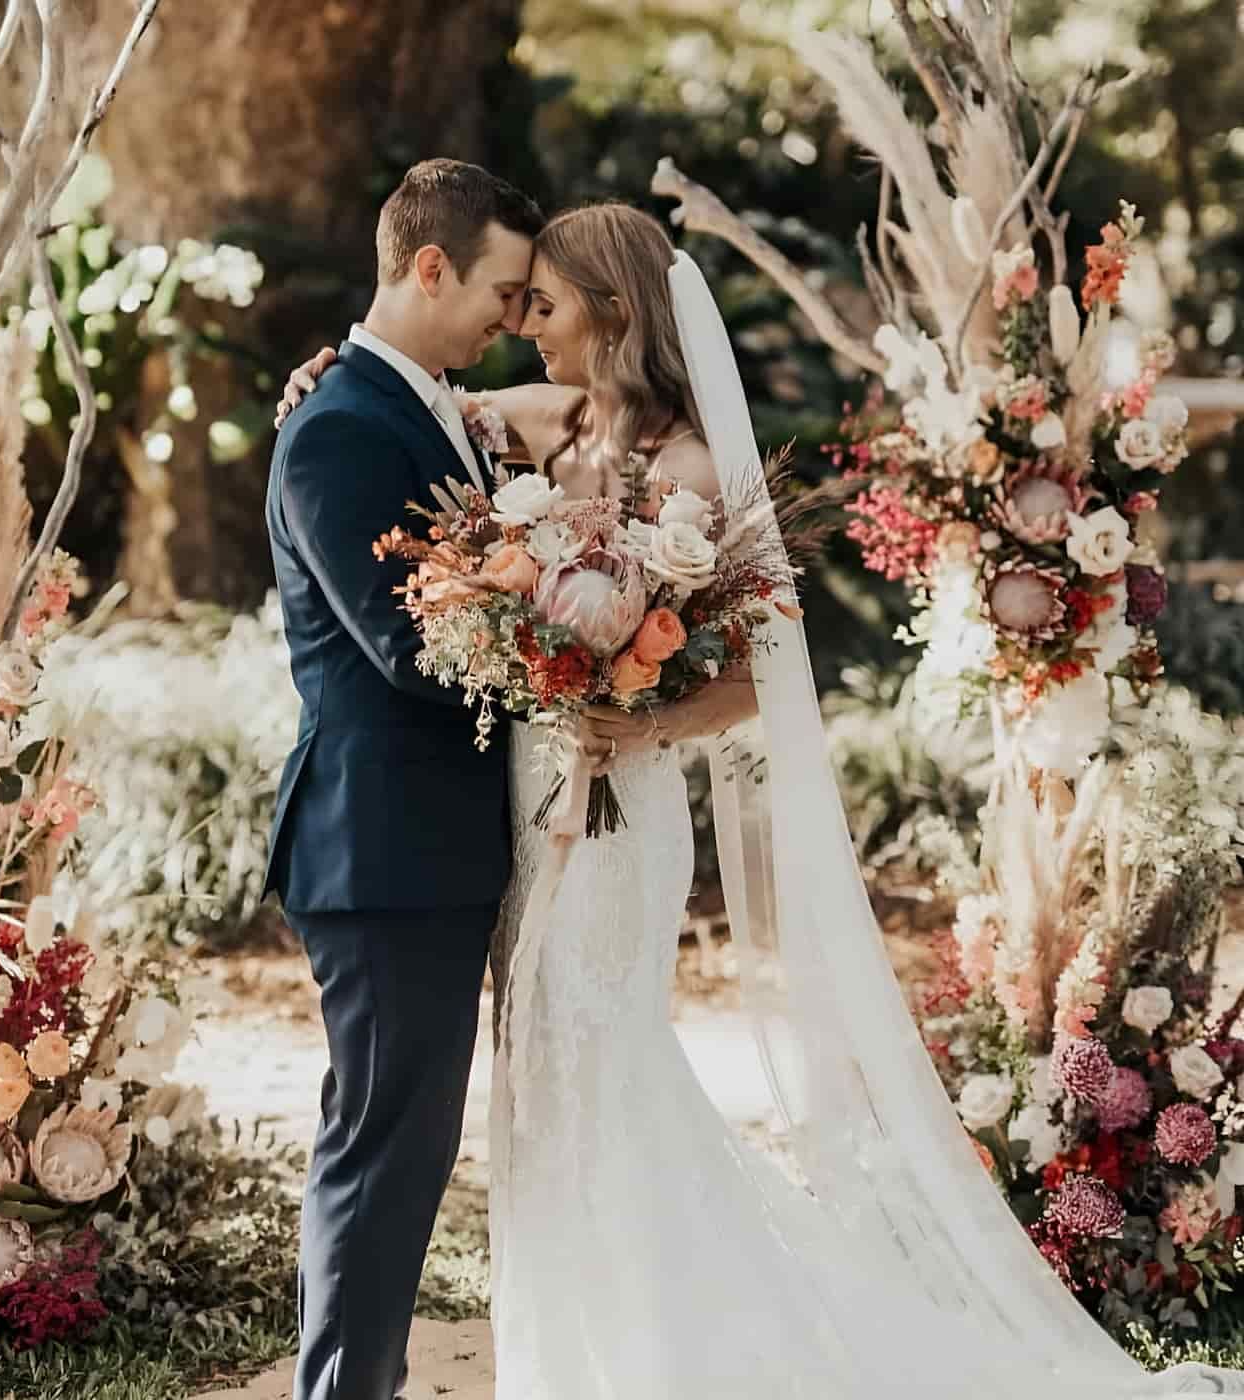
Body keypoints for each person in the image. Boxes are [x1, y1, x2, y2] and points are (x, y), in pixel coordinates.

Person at [275, 204, 1242, 1399]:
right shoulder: (534, 427)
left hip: (612, 807)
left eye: (543, 302)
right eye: (512, 298)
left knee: (602, 1075)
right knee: (536, 1102)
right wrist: (327, 368)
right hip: (519, 824)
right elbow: (393, 416)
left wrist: (643, 711)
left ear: (611, 314)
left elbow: (760, 668)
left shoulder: (682, 462)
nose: (522, 323)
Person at [263, 157, 541, 1400]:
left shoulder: (423, 402)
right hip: (381, 850)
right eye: (503, 289)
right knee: (380, 1153)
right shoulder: (336, 429)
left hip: (429, 845)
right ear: (429, 266)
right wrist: (576, 648)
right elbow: (411, 640)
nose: (513, 317)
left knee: (407, 1149)